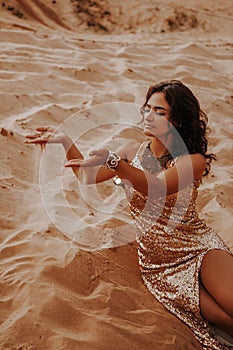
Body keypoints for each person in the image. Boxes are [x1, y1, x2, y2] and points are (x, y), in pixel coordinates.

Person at [25, 80, 233, 349]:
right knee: (226, 321)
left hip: (197, 247)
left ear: (178, 120)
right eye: (147, 108)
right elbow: (87, 176)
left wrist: (115, 163)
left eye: (160, 112)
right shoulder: (130, 152)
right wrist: (65, 140)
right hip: (159, 265)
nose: (148, 116)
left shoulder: (192, 160)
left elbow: (155, 187)